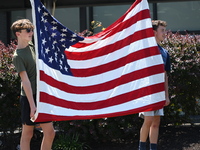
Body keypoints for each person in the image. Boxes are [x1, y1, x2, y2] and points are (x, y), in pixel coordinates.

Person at [11, 19, 55, 150]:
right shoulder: (17, 56)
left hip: (42, 95)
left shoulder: (31, 46)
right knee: (28, 133)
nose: (31, 33)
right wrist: (32, 106)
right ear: (18, 34)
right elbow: (25, 81)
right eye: (28, 30)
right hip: (29, 97)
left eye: (32, 30)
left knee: (50, 133)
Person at [138, 20, 171, 150]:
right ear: (154, 33)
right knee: (149, 120)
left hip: (159, 93)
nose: (165, 33)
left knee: (156, 123)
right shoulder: (146, 51)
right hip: (147, 93)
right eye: (162, 30)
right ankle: (141, 148)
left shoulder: (164, 53)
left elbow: (164, 76)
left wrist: (166, 96)